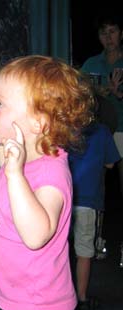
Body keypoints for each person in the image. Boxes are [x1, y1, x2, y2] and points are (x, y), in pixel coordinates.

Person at [0, 55, 95, 310]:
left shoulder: (50, 172)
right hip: (18, 299)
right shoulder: (21, 161)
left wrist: (14, 174)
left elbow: (36, 234)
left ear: (38, 121)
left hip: (39, 308)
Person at [69, 120, 121, 310]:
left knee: (61, 249)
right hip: (88, 199)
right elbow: (110, 162)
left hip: (62, 196)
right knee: (84, 252)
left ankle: (60, 295)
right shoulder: (101, 130)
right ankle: (81, 298)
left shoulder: (64, 126)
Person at [81, 13, 123, 218]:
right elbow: (78, 94)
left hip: (122, 129)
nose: (108, 37)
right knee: (96, 186)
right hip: (98, 131)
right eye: (103, 33)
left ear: (121, 34)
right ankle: (95, 241)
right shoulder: (90, 64)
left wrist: (119, 94)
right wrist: (95, 93)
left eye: (112, 31)